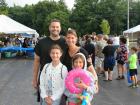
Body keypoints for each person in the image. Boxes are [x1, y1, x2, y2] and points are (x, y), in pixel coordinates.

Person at [32, 19, 67, 102]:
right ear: (49, 28)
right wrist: (34, 78)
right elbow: (36, 61)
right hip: (45, 78)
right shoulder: (41, 42)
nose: (55, 29)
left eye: (57, 27)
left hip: (61, 80)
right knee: (45, 101)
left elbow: (77, 49)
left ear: (60, 28)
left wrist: (88, 59)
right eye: (53, 27)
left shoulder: (65, 42)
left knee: (59, 102)